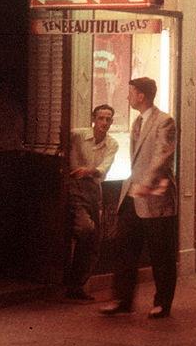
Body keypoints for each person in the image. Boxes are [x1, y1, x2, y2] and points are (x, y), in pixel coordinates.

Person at [99, 77, 178, 319]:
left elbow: (162, 156)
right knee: (124, 248)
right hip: (133, 194)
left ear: (141, 95)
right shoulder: (137, 122)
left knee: (160, 253)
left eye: (130, 92)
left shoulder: (164, 121)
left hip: (155, 195)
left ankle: (162, 303)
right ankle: (122, 299)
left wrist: (146, 184)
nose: (128, 97)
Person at [63, 104, 118, 300]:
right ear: (93, 119)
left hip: (94, 189)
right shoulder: (77, 135)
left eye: (108, 119)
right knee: (85, 228)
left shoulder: (112, 144)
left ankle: (76, 285)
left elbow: (104, 167)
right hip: (75, 186)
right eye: (101, 118)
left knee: (95, 238)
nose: (104, 123)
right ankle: (66, 280)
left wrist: (89, 170)